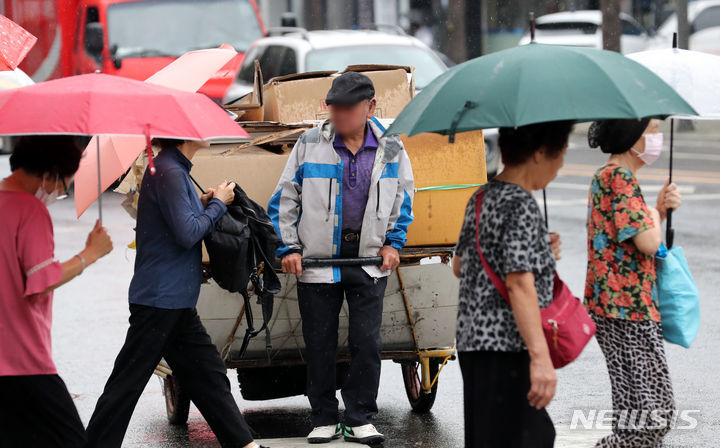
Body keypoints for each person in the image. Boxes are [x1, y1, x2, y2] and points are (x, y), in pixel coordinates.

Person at [86, 138, 267, 448]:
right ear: (185, 134)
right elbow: (187, 233)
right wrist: (218, 204)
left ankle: (244, 444)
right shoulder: (169, 171)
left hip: (175, 300)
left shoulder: (173, 169)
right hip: (160, 300)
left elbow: (178, 219)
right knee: (127, 383)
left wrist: (203, 201)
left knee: (208, 374)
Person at [268, 72, 414, 445]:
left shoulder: (392, 147)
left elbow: (403, 199)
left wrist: (393, 244)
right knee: (319, 342)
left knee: (367, 343)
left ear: (371, 107)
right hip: (318, 263)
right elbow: (285, 198)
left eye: (349, 108)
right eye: (334, 107)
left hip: (368, 261)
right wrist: (290, 248)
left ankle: (360, 416)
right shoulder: (310, 143)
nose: (340, 115)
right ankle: (323, 417)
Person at [452, 120, 574, 448]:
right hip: (506, 346)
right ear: (539, 153)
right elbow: (520, 284)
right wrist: (540, 357)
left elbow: (460, 265)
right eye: (559, 155)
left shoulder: (481, 197)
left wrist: (538, 249)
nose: (560, 166)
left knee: (488, 438)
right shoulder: (520, 204)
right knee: (529, 438)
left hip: (473, 344)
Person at [0, 135, 113, 448]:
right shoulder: (30, 210)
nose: (61, 191)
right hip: (22, 361)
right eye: (65, 184)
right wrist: (91, 253)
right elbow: (41, 280)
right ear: (50, 174)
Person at [585, 118, 681, 447]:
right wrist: (655, 216)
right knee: (654, 416)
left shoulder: (614, 177)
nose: (657, 137)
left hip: (620, 307)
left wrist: (657, 211)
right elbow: (648, 243)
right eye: (652, 130)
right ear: (631, 135)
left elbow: (633, 233)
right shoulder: (618, 177)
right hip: (626, 309)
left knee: (634, 418)